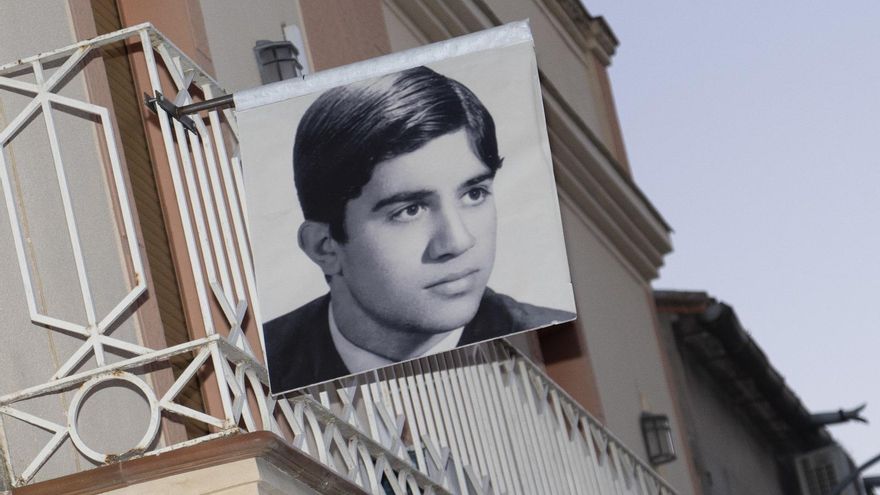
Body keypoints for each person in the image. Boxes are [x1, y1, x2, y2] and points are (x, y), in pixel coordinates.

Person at [264, 66, 574, 393]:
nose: (458, 241)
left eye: (474, 194)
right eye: (409, 210)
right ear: (325, 247)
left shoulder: (543, 335)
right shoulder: (265, 358)